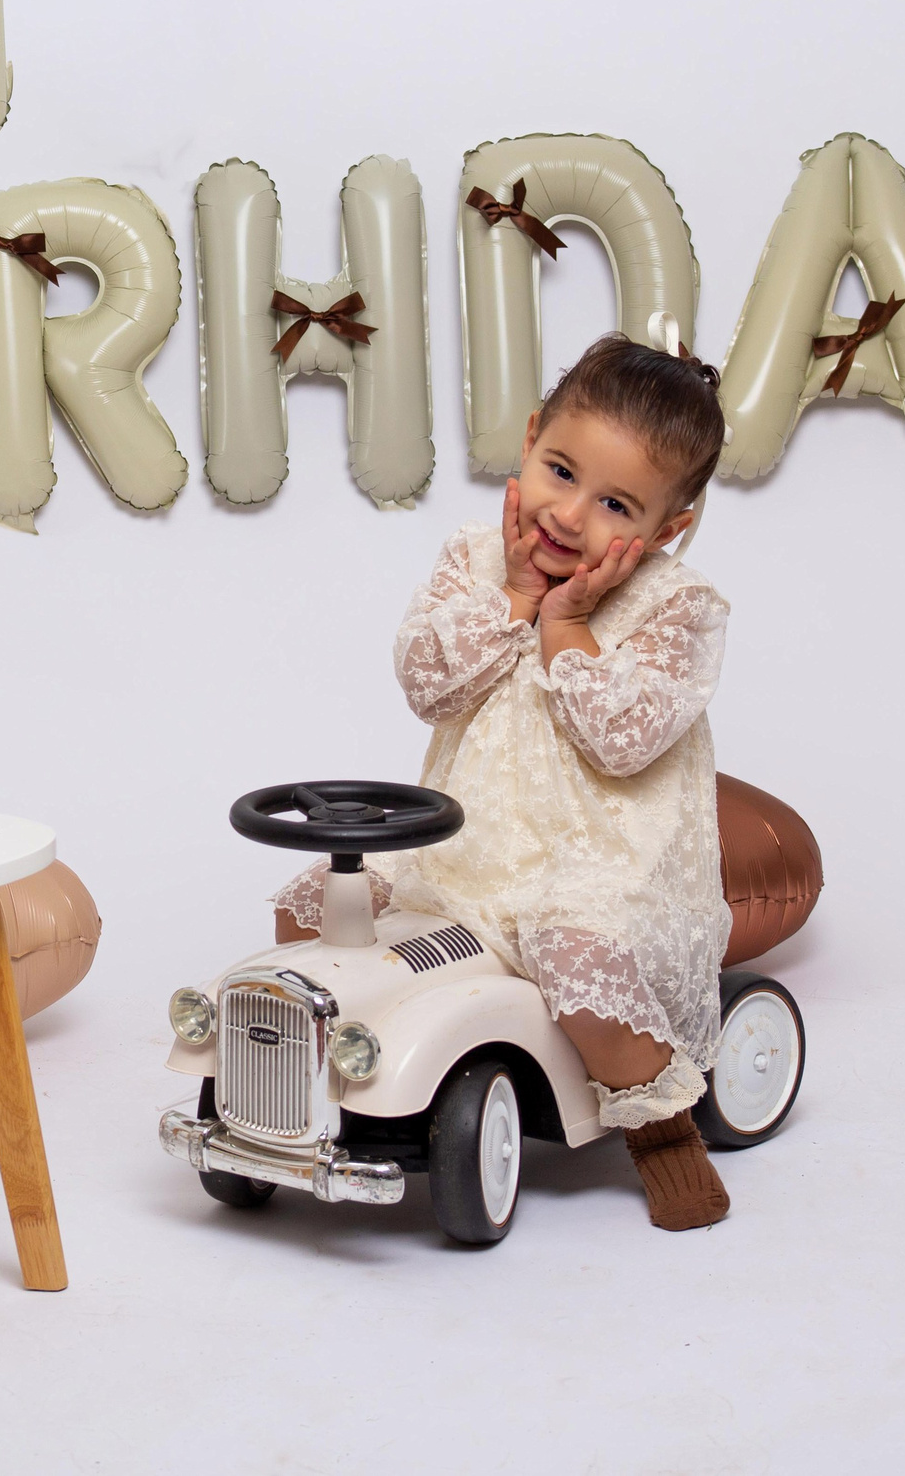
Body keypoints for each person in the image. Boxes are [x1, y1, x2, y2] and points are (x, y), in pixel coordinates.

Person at [276, 334, 734, 1230]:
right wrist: (517, 598)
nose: (568, 516)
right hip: (462, 852)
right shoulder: (472, 562)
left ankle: (661, 1122)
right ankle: (339, 1077)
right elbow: (426, 683)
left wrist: (565, 623)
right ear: (529, 439)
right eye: (559, 470)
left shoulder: (677, 608)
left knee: (577, 958)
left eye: (614, 503)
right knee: (307, 908)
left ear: (668, 526)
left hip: (601, 866)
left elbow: (623, 742)